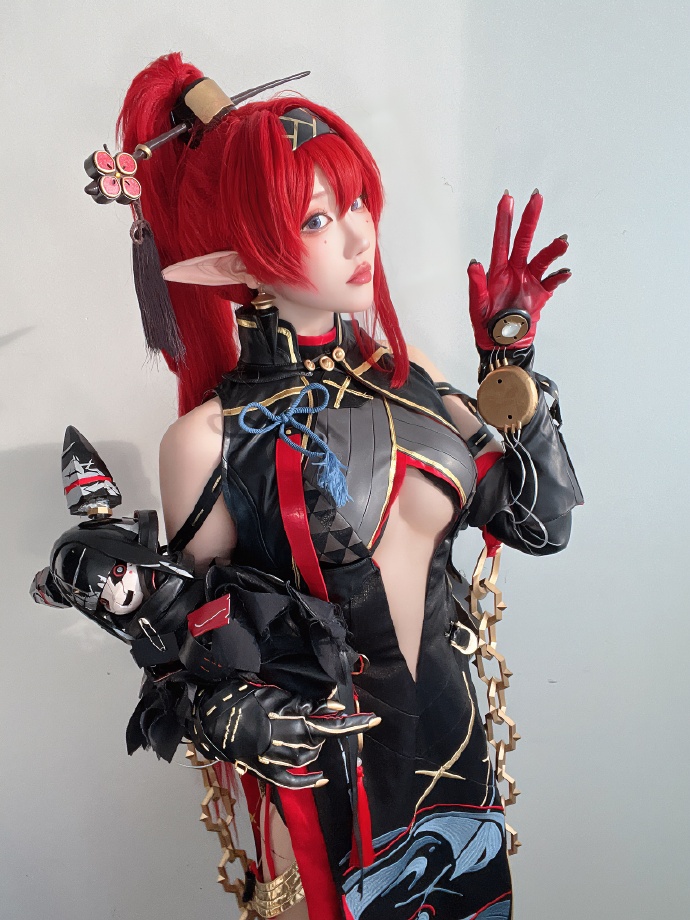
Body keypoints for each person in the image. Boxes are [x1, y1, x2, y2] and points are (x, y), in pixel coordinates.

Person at [51, 52, 583, 920]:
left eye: (358, 201)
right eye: (318, 217)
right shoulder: (208, 441)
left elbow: (540, 525)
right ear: (237, 258)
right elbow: (191, 644)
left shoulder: (416, 380)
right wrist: (229, 712)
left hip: (456, 752)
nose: (360, 236)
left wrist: (510, 363)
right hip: (327, 785)